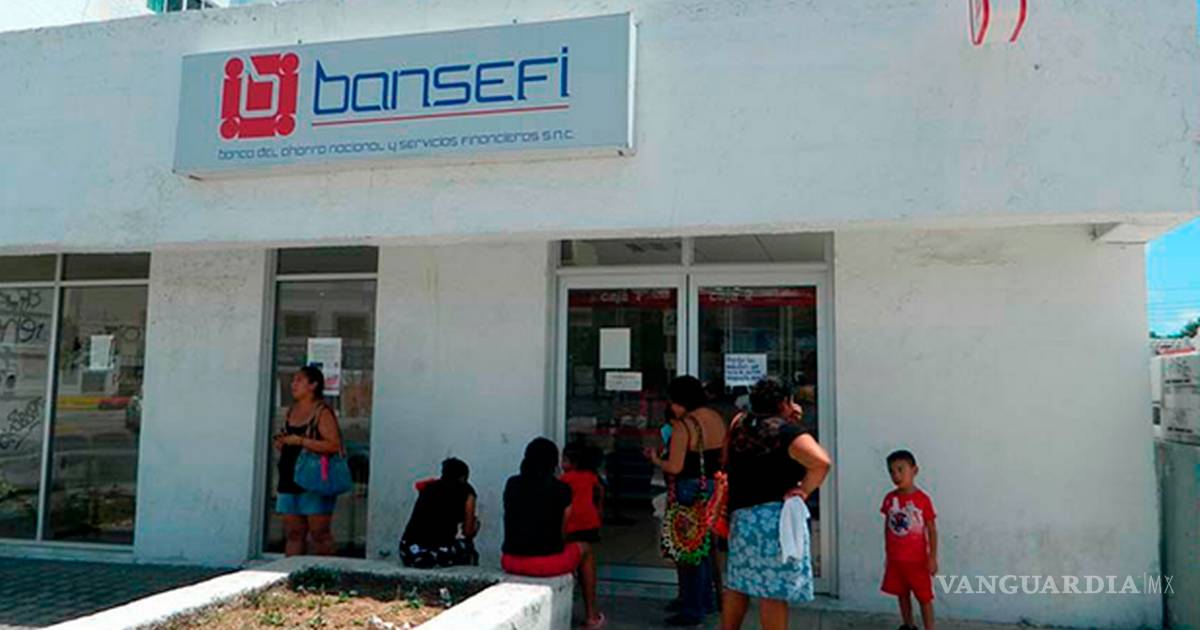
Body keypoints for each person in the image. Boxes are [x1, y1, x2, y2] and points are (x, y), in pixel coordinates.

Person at [721, 377, 832, 630]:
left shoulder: (739, 423)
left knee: (738, 585)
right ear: (784, 402)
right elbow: (821, 462)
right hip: (774, 520)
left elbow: (726, 457)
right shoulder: (788, 432)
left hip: (742, 517)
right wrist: (804, 490)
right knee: (772, 592)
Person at [645, 375, 726, 627]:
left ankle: (693, 609)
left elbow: (675, 466)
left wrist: (655, 459)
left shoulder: (684, 425)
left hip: (689, 491)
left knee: (689, 552)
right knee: (705, 549)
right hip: (713, 488)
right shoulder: (716, 418)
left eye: (673, 402)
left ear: (682, 400)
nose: (671, 407)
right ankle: (707, 601)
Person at [502, 438, 605, 630]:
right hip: (546, 563)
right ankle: (591, 616)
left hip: (511, 560)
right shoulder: (562, 489)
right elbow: (561, 532)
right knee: (586, 550)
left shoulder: (511, 484)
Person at [273, 366, 343, 556]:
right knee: (293, 533)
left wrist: (301, 441)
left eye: (299, 380)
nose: (293, 385)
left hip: (313, 479)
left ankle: (325, 570)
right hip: (288, 477)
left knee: (319, 533)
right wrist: (282, 442)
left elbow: (333, 445)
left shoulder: (322, 412)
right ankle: (291, 570)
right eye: (293, 380)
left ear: (313, 385)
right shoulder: (291, 411)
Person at [881, 450, 938, 630]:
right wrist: (888, 553)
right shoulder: (890, 499)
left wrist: (932, 557)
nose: (896, 475)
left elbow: (931, 529)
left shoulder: (923, 500)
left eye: (900, 469)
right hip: (896, 560)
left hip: (917, 561)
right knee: (902, 594)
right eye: (891, 471)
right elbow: (887, 527)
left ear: (914, 470)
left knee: (924, 597)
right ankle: (908, 625)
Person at [399, 457, 480, 568]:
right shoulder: (467, 492)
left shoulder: (428, 487)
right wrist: (475, 526)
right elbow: (468, 531)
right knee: (467, 548)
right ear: (463, 477)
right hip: (437, 552)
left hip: (409, 551)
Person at [561, 443, 605, 544]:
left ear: (574, 463)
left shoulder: (566, 478)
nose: (561, 464)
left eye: (564, 460)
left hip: (573, 520)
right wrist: (599, 507)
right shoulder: (590, 475)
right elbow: (601, 489)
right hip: (590, 519)